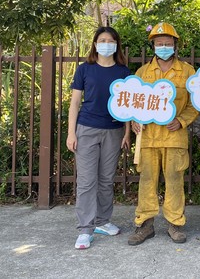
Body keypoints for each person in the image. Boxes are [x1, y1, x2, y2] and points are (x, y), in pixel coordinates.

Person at [128, 22, 198, 246]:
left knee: (175, 180)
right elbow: (132, 102)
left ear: (175, 45)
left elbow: (196, 103)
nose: (164, 47)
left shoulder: (187, 71)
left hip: (174, 137)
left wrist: (182, 120)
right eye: (159, 44)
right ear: (153, 46)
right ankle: (145, 224)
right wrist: (133, 121)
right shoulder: (142, 72)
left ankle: (175, 223)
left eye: (168, 43)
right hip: (148, 137)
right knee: (147, 180)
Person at [68, 26, 131, 250]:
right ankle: (85, 229)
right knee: (86, 181)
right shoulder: (85, 69)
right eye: (102, 40)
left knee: (106, 180)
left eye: (111, 40)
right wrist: (71, 132)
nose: (106, 44)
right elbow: (75, 103)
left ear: (116, 45)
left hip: (113, 131)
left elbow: (128, 106)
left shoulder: (124, 72)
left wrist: (126, 132)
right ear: (95, 44)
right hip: (86, 129)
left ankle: (102, 221)